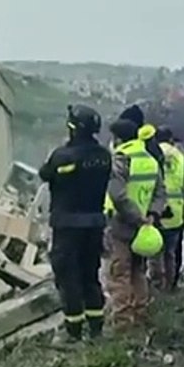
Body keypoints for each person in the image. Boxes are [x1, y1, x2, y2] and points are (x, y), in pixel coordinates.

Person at [38, 105, 112, 342]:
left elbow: (45, 173)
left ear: (73, 128)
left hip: (68, 225)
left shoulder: (63, 156)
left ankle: (73, 331)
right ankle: (96, 329)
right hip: (94, 224)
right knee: (90, 275)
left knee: (68, 277)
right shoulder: (104, 156)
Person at [103, 118, 168, 327]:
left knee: (119, 274)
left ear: (118, 138)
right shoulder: (150, 160)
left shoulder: (121, 159)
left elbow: (117, 195)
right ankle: (141, 314)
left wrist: (136, 217)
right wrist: (152, 216)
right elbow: (161, 193)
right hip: (144, 227)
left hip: (122, 224)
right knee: (138, 272)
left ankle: (123, 322)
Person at [151, 127, 184, 291]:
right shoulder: (182, 156)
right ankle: (170, 284)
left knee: (154, 252)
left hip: (154, 210)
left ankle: (157, 285)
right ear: (171, 139)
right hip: (176, 211)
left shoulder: (151, 153)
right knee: (171, 252)